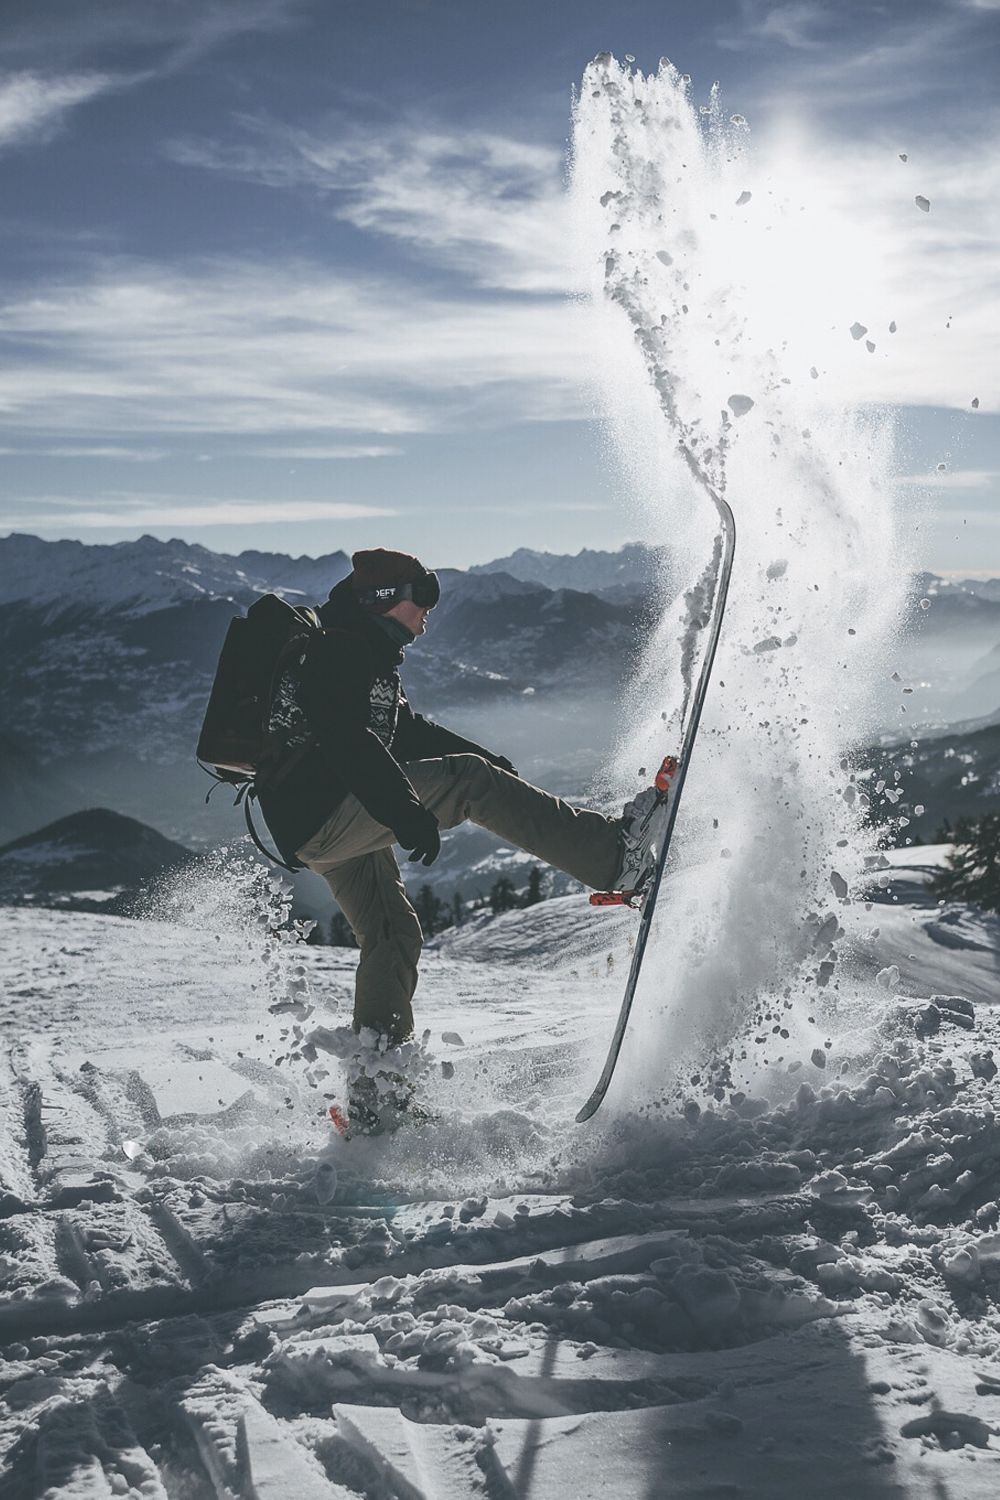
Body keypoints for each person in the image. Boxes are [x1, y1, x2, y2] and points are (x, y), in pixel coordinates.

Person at [257, 548, 637, 1125]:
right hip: (329, 813)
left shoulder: (364, 651)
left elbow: (404, 732)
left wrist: (489, 761)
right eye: (422, 594)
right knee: (467, 785)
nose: (430, 608)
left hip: (318, 822)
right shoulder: (339, 650)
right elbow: (345, 739)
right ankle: (615, 859)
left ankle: (378, 1103)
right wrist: (408, 810)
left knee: (390, 932)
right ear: (385, 601)